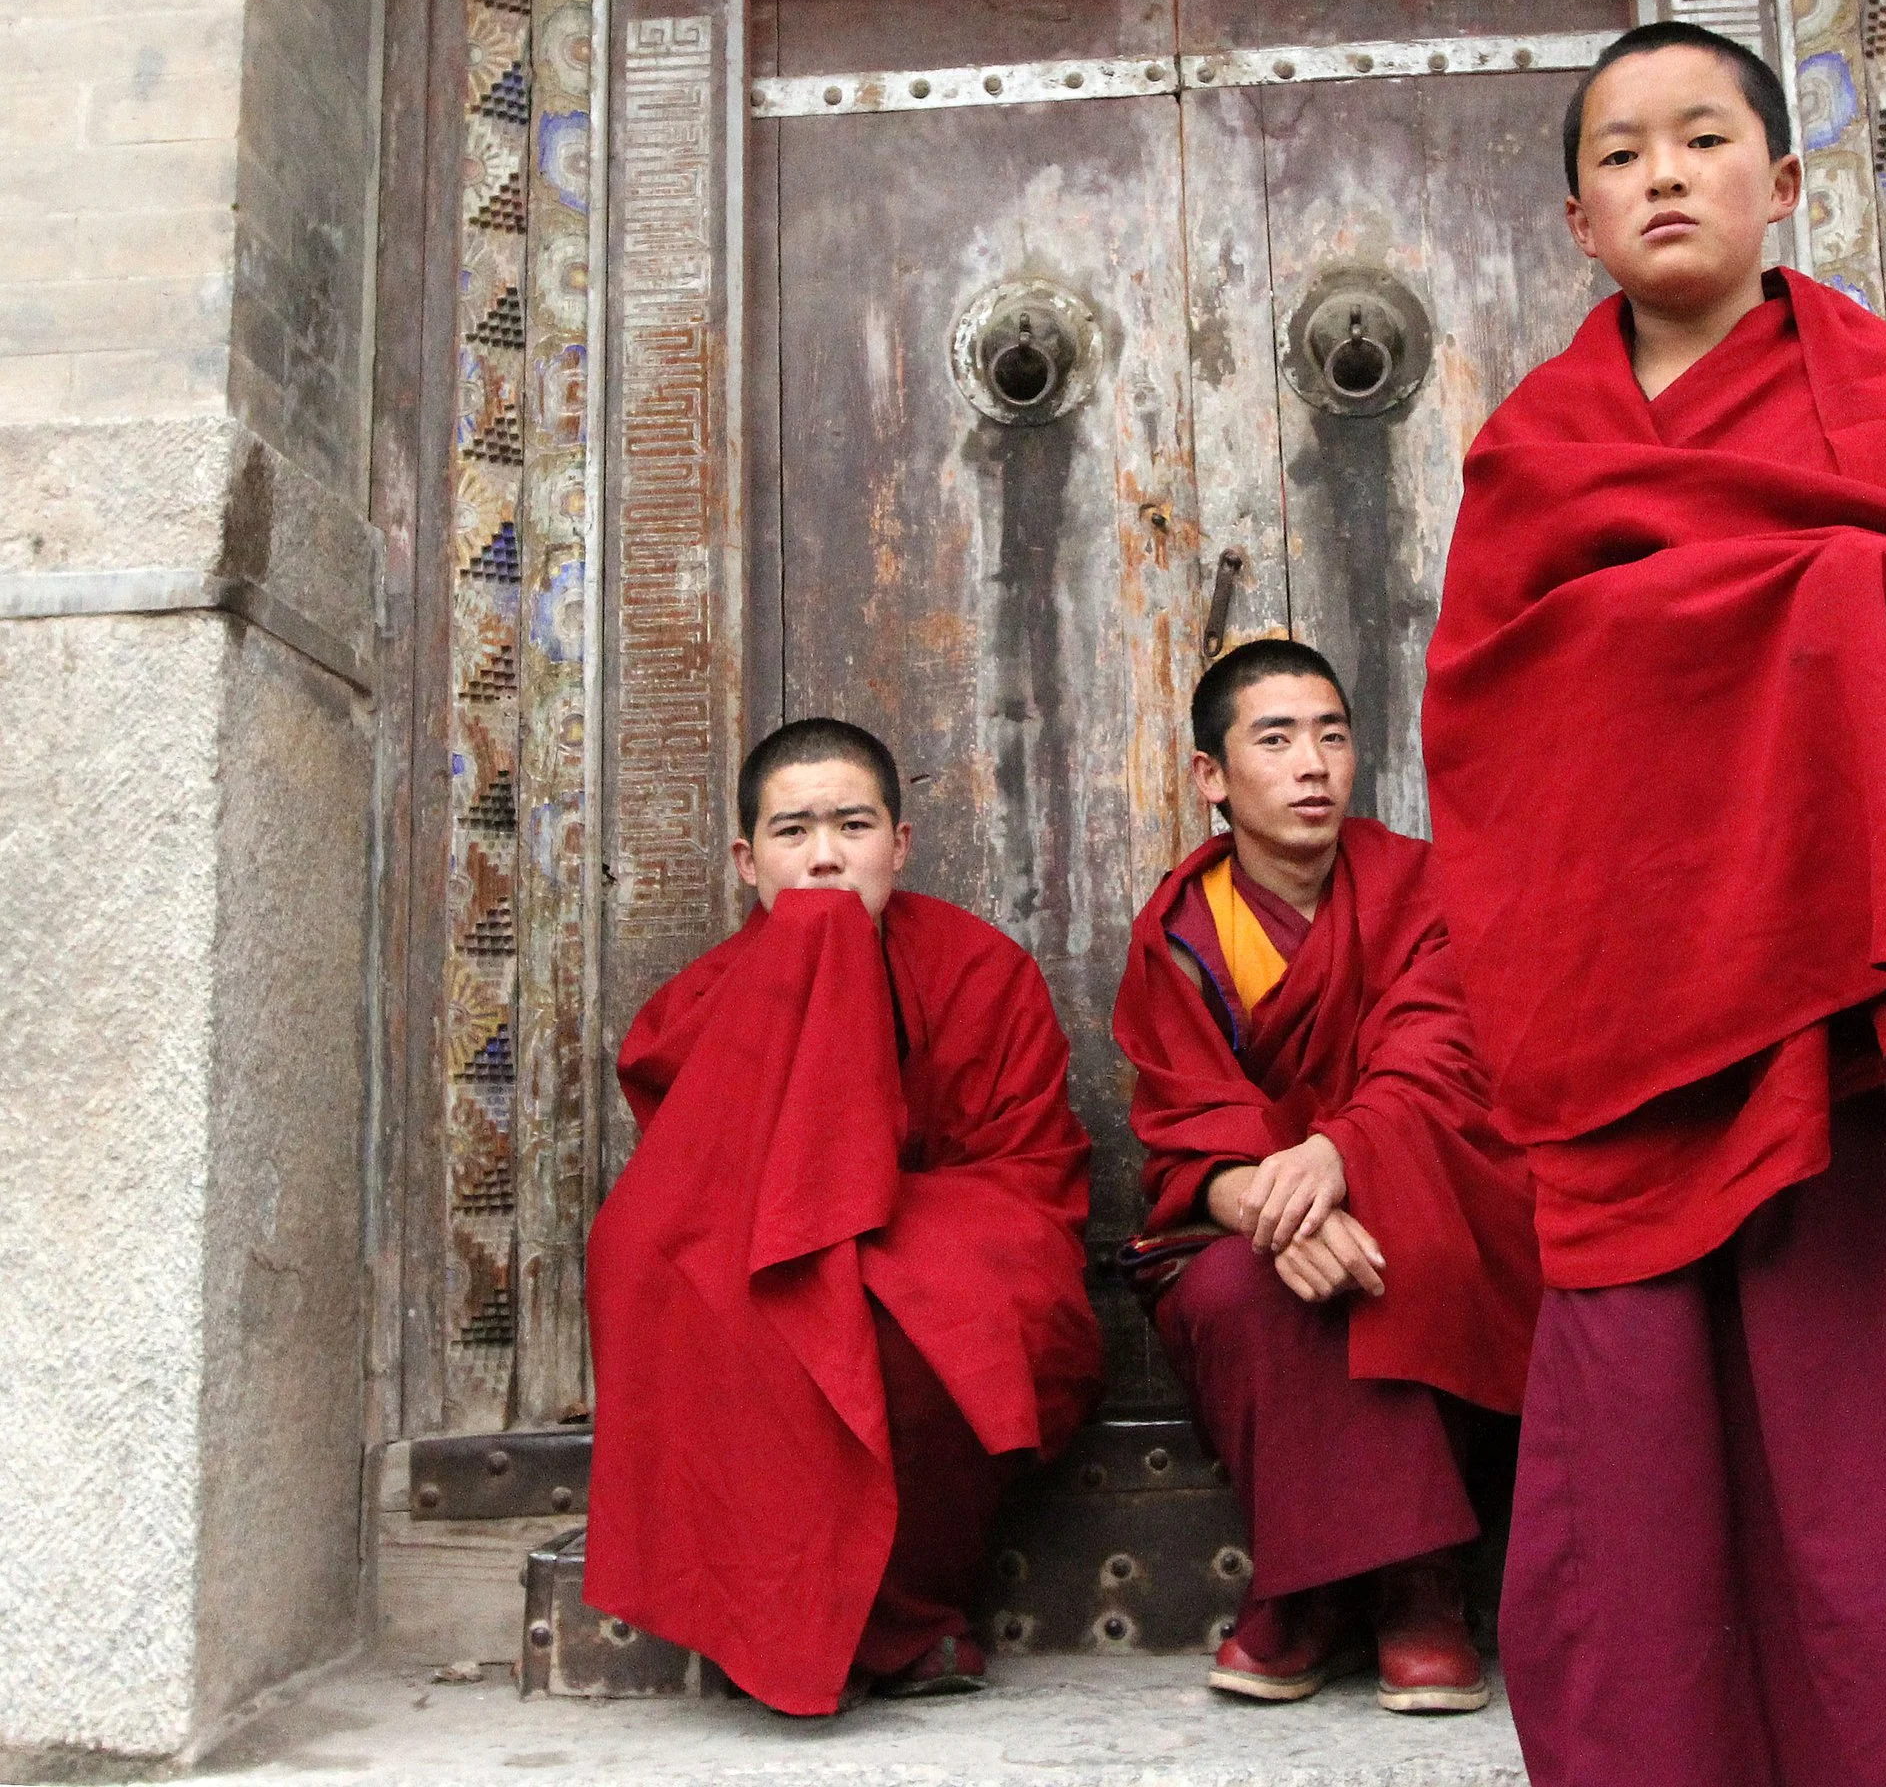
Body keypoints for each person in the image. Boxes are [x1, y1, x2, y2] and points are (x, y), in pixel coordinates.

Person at [1419, 22, 1886, 1787]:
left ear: (1787, 184)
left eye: (1707, 138)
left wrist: (1837, 613)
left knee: (1875, 1443)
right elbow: (1495, 726)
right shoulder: (1535, 452)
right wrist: (1800, 615)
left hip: (1865, 1037)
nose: (1665, 173)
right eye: (1622, 153)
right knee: (1647, 1458)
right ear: (1575, 219)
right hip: (1640, 1025)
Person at [583, 718, 1101, 1715]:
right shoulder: (700, 1002)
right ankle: (764, 1612)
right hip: (768, 1261)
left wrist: (870, 1238)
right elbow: (693, 1191)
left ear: (899, 843)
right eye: (792, 831)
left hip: (936, 1245)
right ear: (747, 860)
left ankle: (907, 1618)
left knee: (921, 1312)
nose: (824, 855)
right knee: (687, 1277)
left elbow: (1028, 1178)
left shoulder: (979, 973)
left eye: (852, 824)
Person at [1111, 637, 1542, 1715]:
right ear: (1211, 775)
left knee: (1416, 1248)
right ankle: (1344, 1587)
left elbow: (1440, 1057)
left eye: (1332, 734)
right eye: (1275, 737)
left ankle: (1407, 1592)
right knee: (1235, 1287)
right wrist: (1272, 1204)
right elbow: (1184, 1130)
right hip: (1258, 1217)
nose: (1312, 763)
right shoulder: (1180, 933)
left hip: (1418, 1178)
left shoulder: (1422, 885)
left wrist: (1342, 1158)